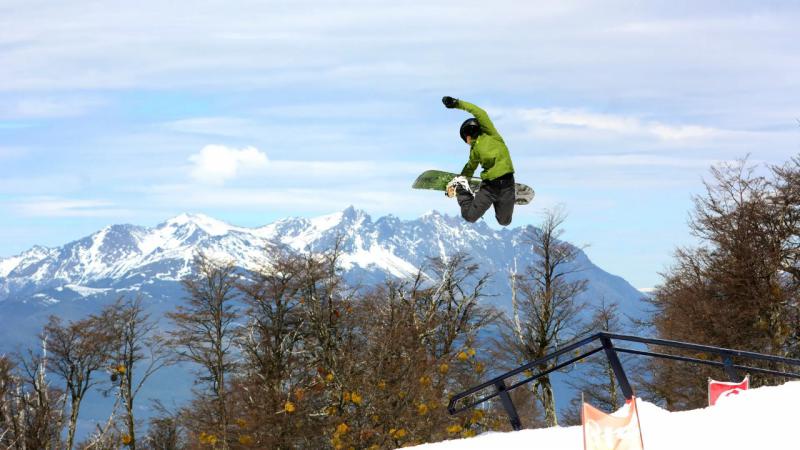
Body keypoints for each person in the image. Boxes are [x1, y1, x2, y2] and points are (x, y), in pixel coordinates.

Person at [442, 96, 516, 225]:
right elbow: (470, 166)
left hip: (507, 184)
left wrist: (457, 103)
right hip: (490, 187)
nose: (467, 142)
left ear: (467, 135)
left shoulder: (490, 133)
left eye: (465, 140)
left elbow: (479, 112)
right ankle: (462, 190)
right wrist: (461, 179)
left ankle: (503, 200)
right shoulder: (474, 151)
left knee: (504, 222)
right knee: (470, 217)